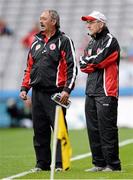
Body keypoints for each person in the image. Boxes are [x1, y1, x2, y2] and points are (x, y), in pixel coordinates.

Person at [19, 9, 77, 171]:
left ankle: (61, 163)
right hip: (37, 93)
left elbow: (73, 67)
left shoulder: (64, 40)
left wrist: (67, 90)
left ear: (54, 21)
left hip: (56, 93)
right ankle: (42, 164)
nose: (41, 21)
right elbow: (29, 68)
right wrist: (25, 87)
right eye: (40, 18)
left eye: (44, 19)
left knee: (59, 129)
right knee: (39, 130)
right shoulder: (35, 42)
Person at [79, 11, 121, 172]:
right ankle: (99, 163)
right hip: (90, 90)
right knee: (93, 129)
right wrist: (91, 62)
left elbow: (100, 60)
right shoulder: (90, 44)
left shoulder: (111, 41)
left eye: (91, 22)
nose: (88, 25)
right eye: (87, 22)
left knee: (107, 128)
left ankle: (113, 165)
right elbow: (82, 64)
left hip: (106, 90)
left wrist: (92, 62)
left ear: (101, 24)